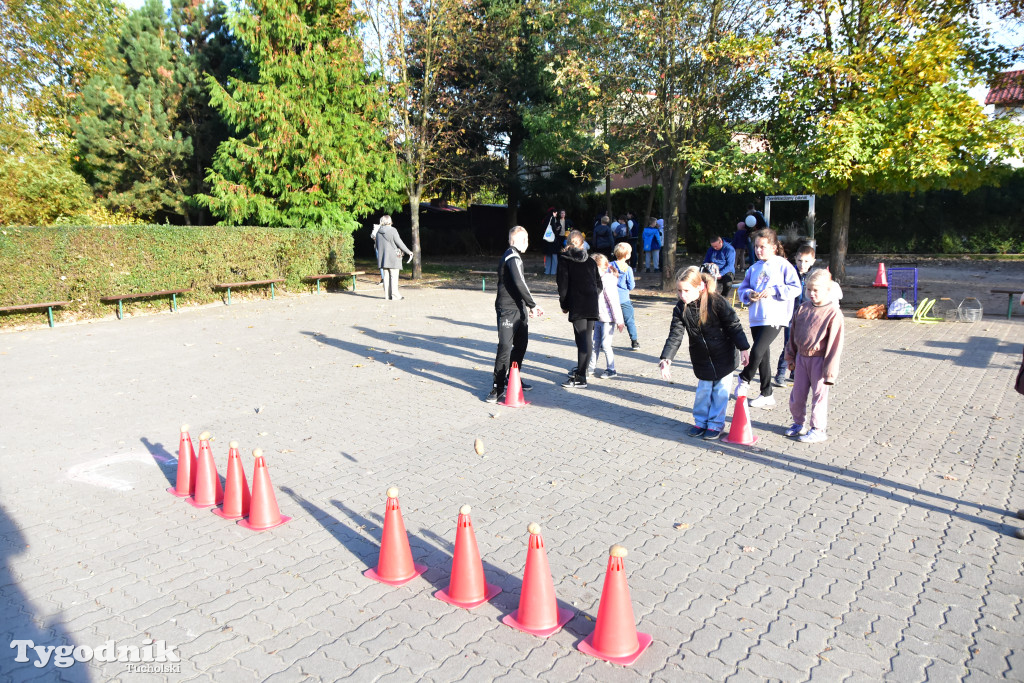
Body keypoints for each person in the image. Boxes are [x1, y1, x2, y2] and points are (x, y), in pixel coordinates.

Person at [659, 267, 751, 440]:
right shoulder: (680, 309)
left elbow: (734, 325)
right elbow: (675, 335)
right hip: (701, 356)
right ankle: (700, 422)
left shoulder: (717, 302)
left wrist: (744, 347)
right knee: (703, 391)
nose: (682, 295)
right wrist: (666, 358)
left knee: (720, 392)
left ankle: (715, 424)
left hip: (724, 355)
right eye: (679, 291)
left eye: (686, 290)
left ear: (699, 286)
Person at [736, 228, 802, 408]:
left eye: (762, 247)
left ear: (773, 247)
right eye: (756, 246)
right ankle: (766, 393)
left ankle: (744, 379)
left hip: (775, 317)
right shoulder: (753, 268)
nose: (758, 250)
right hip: (756, 317)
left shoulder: (783, 265)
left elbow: (796, 288)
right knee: (763, 357)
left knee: (756, 352)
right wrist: (750, 294)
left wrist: (773, 291)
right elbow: (743, 289)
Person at [784, 269, 846, 443]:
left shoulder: (833, 313)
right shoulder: (802, 308)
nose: (811, 293)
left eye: (816, 290)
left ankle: (818, 429)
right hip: (801, 359)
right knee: (798, 394)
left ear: (827, 290)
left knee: (819, 397)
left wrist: (830, 372)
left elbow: (835, 345)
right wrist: (790, 356)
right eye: (809, 289)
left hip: (820, 360)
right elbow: (793, 334)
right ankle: (798, 423)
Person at [487, 226, 545, 403]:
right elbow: (520, 283)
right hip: (507, 309)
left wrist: (527, 306)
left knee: (521, 345)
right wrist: (533, 305)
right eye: (526, 240)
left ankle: (513, 377)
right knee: (505, 346)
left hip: (519, 308)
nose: (528, 243)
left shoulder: (515, 256)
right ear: (518, 240)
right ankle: (497, 387)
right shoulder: (512, 256)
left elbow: (521, 285)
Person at [557, 230, 602, 389]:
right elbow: (599, 285)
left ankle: (581, 377)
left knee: (582, 339)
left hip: (578, 304)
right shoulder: (590, 261)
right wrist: (592, 296)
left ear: (568, 243)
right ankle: (582, 369)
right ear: (582, 244)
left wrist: (564, 304)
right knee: (586, 338)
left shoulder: (565, 260)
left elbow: (562, 286)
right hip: (591, 303)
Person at [773, 244, 818, 386]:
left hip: (807, 316)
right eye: (799, 260)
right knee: (788, 344)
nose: (802, 264)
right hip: (790, 315)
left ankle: (794, 372)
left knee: (802, 345)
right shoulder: (790, 272)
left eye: (806, 261)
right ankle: (780, 373)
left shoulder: (814, 275)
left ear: (812, 262)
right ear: (795, 259)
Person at [588, 254, 625, 379]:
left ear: (600, 267)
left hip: (608, 319)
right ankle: (591, 367)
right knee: (594, 344)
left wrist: (619, 321)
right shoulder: (595, 280)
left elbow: (614, 302)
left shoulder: (608, 281)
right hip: (598, 318)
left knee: (606, 345)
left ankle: (611, 368)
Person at [374, 215, 413, 300]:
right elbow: (399, 243)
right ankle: (395, 295)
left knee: (386, 277)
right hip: (393, 258)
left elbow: (377, 246)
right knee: (394, 277)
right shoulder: (393, 230)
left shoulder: (378, 232)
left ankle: (387, 296)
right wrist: (409, 252)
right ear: (390, 221)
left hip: (383, 259)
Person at [610, 242, 640, 349]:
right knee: (629, 320)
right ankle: (634, 341)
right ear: (627, 255)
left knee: (609, 320)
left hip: (611, 297)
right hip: (623, 299)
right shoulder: (628, 269)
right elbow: (631, 286)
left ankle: (604, 340)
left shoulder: (610, 265)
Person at [541, 208, 564, 275]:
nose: (556, 214)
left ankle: (547, 271)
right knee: (554, 256)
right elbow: (554, 229)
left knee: (548, 256)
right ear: (553, 212)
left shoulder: (545, 219)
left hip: (546, 240)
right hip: (552, 241)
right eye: (555, 213)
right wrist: (557, 229)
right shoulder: (552, 218)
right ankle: (553, 271)